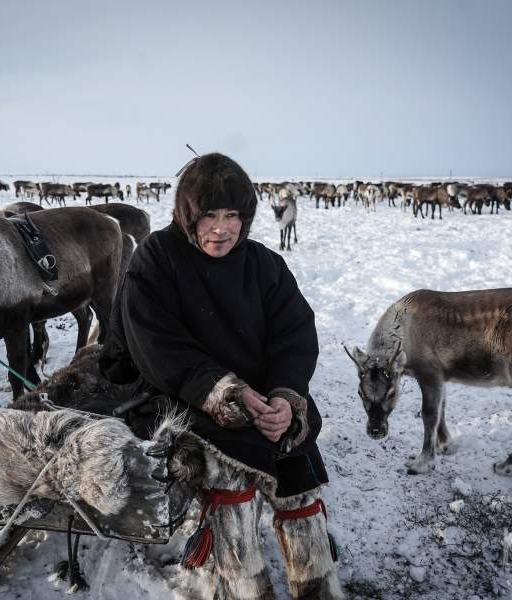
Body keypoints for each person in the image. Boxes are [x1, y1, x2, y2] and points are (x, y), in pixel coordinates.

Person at [101, 153, 342, 599]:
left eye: (233, 215)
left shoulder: (263, 264)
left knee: (296, 459)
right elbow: (156, 346)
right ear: (187, 214)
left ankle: (316, 582)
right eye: (209, 214)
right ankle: (243, 585)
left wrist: (284, 398)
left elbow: (294, 334)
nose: (221, 228)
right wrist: (227, 392)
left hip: (261, 394)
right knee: (231, 472)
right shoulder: (156, 259)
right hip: (181, 394)